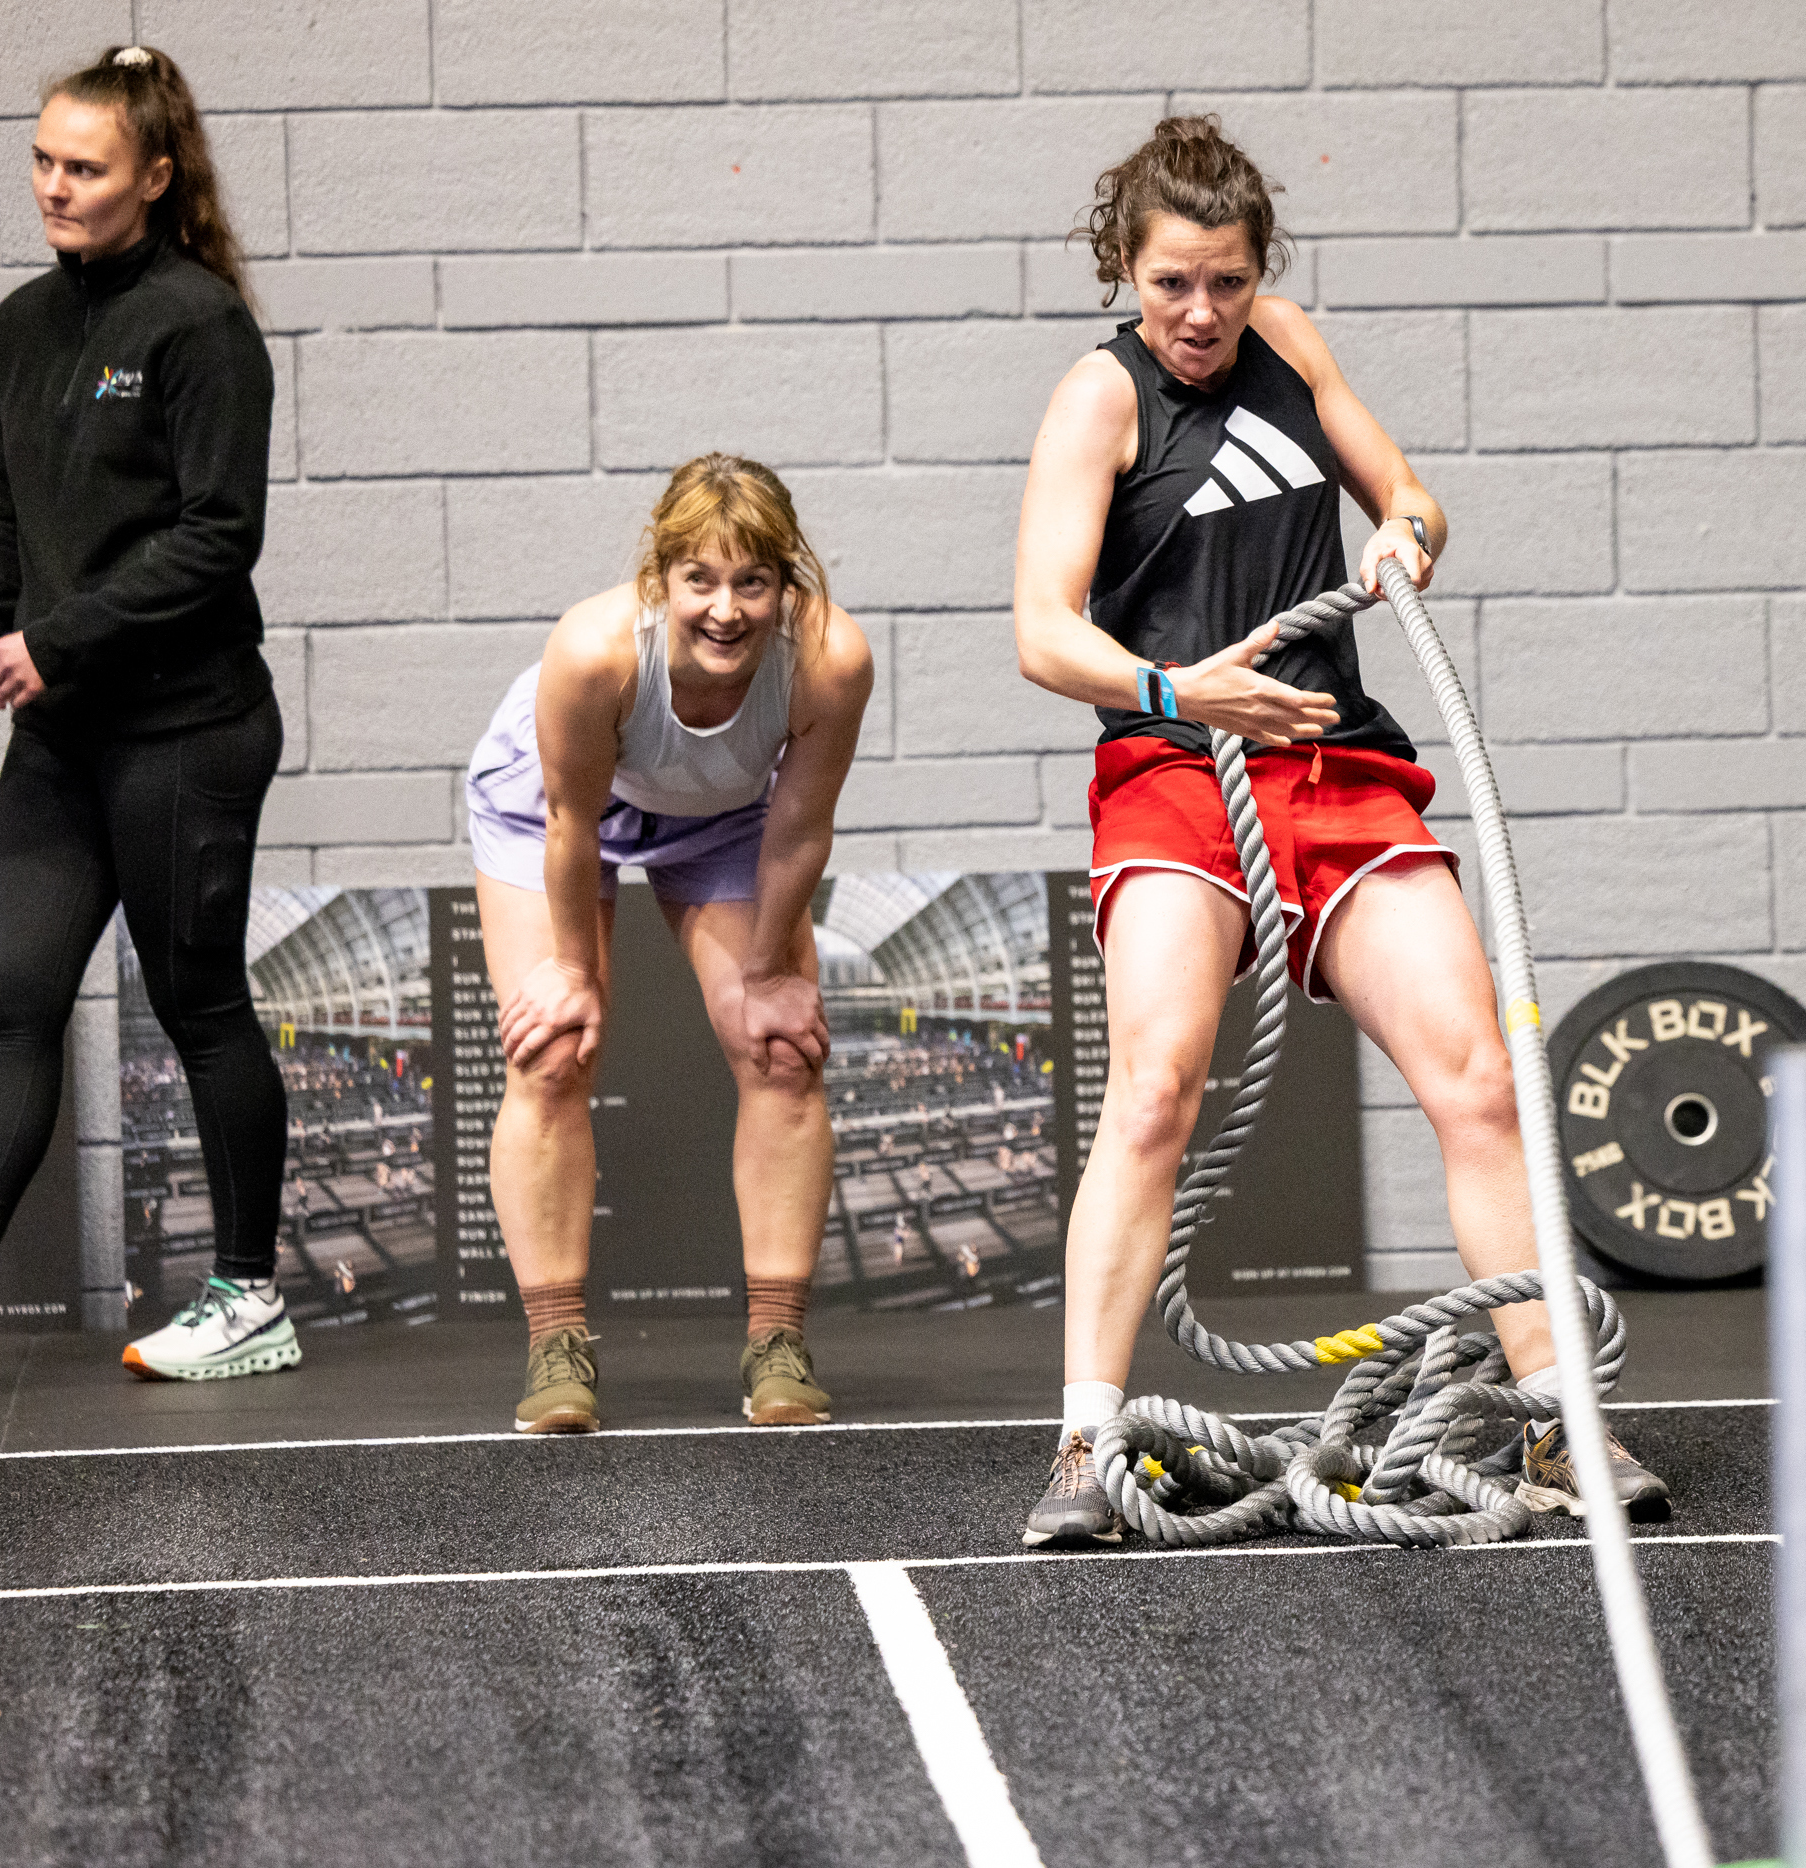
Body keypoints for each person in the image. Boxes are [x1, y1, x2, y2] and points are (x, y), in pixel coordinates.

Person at [1009, 117, 1670, 1550]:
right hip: (1180, 770)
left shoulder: (1290, 346)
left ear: (1261, 274)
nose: (1200, 315)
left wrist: (1407, 536)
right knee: (1157, 1088)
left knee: (1481, 1081)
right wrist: (1181, 689)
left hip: (1340, 765)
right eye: (1174, 283)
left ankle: (1562, 1424)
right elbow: (1040, 633)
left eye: (1227, 283)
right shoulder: (1098, 401)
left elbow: (1412, 496)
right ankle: (1082, 1441)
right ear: (1126, 265)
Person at [0, 46, 299, 1392]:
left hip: (188, 731)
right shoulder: (27, 323)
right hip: (65, 730)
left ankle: (251, 1295)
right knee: (14, 996)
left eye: (84, 168)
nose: (55, 188)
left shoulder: (201, 326)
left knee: (199, 1004)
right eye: (42, 161)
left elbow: (219, 539)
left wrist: (54, 639)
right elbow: (11, 513)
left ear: (153, 175)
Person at [464, 455, 873, 1434]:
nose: (725, 609)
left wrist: (769, 972)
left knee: (779, 1049)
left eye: (752, 581)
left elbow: (802, 826)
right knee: (553, 1047)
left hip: (725, 815)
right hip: (552, 806)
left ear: (788, 579)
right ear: (660, 579)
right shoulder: (595, 650)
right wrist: (568, 969)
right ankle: (557, 1344)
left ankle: (776, 1343)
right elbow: (570, 822)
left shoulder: (828, 658)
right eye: (700, 579)